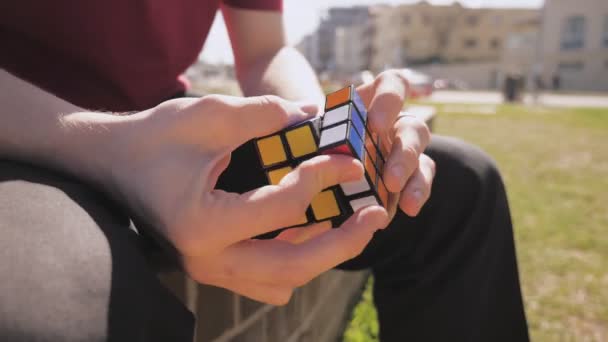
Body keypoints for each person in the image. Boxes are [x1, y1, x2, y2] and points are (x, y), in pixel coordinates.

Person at [0, 1, 529, 341]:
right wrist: (111, 150)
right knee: (59, 319)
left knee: (460, 184)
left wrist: (323, 131)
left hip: (172, 136)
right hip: (25, 143)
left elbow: (264, 48)